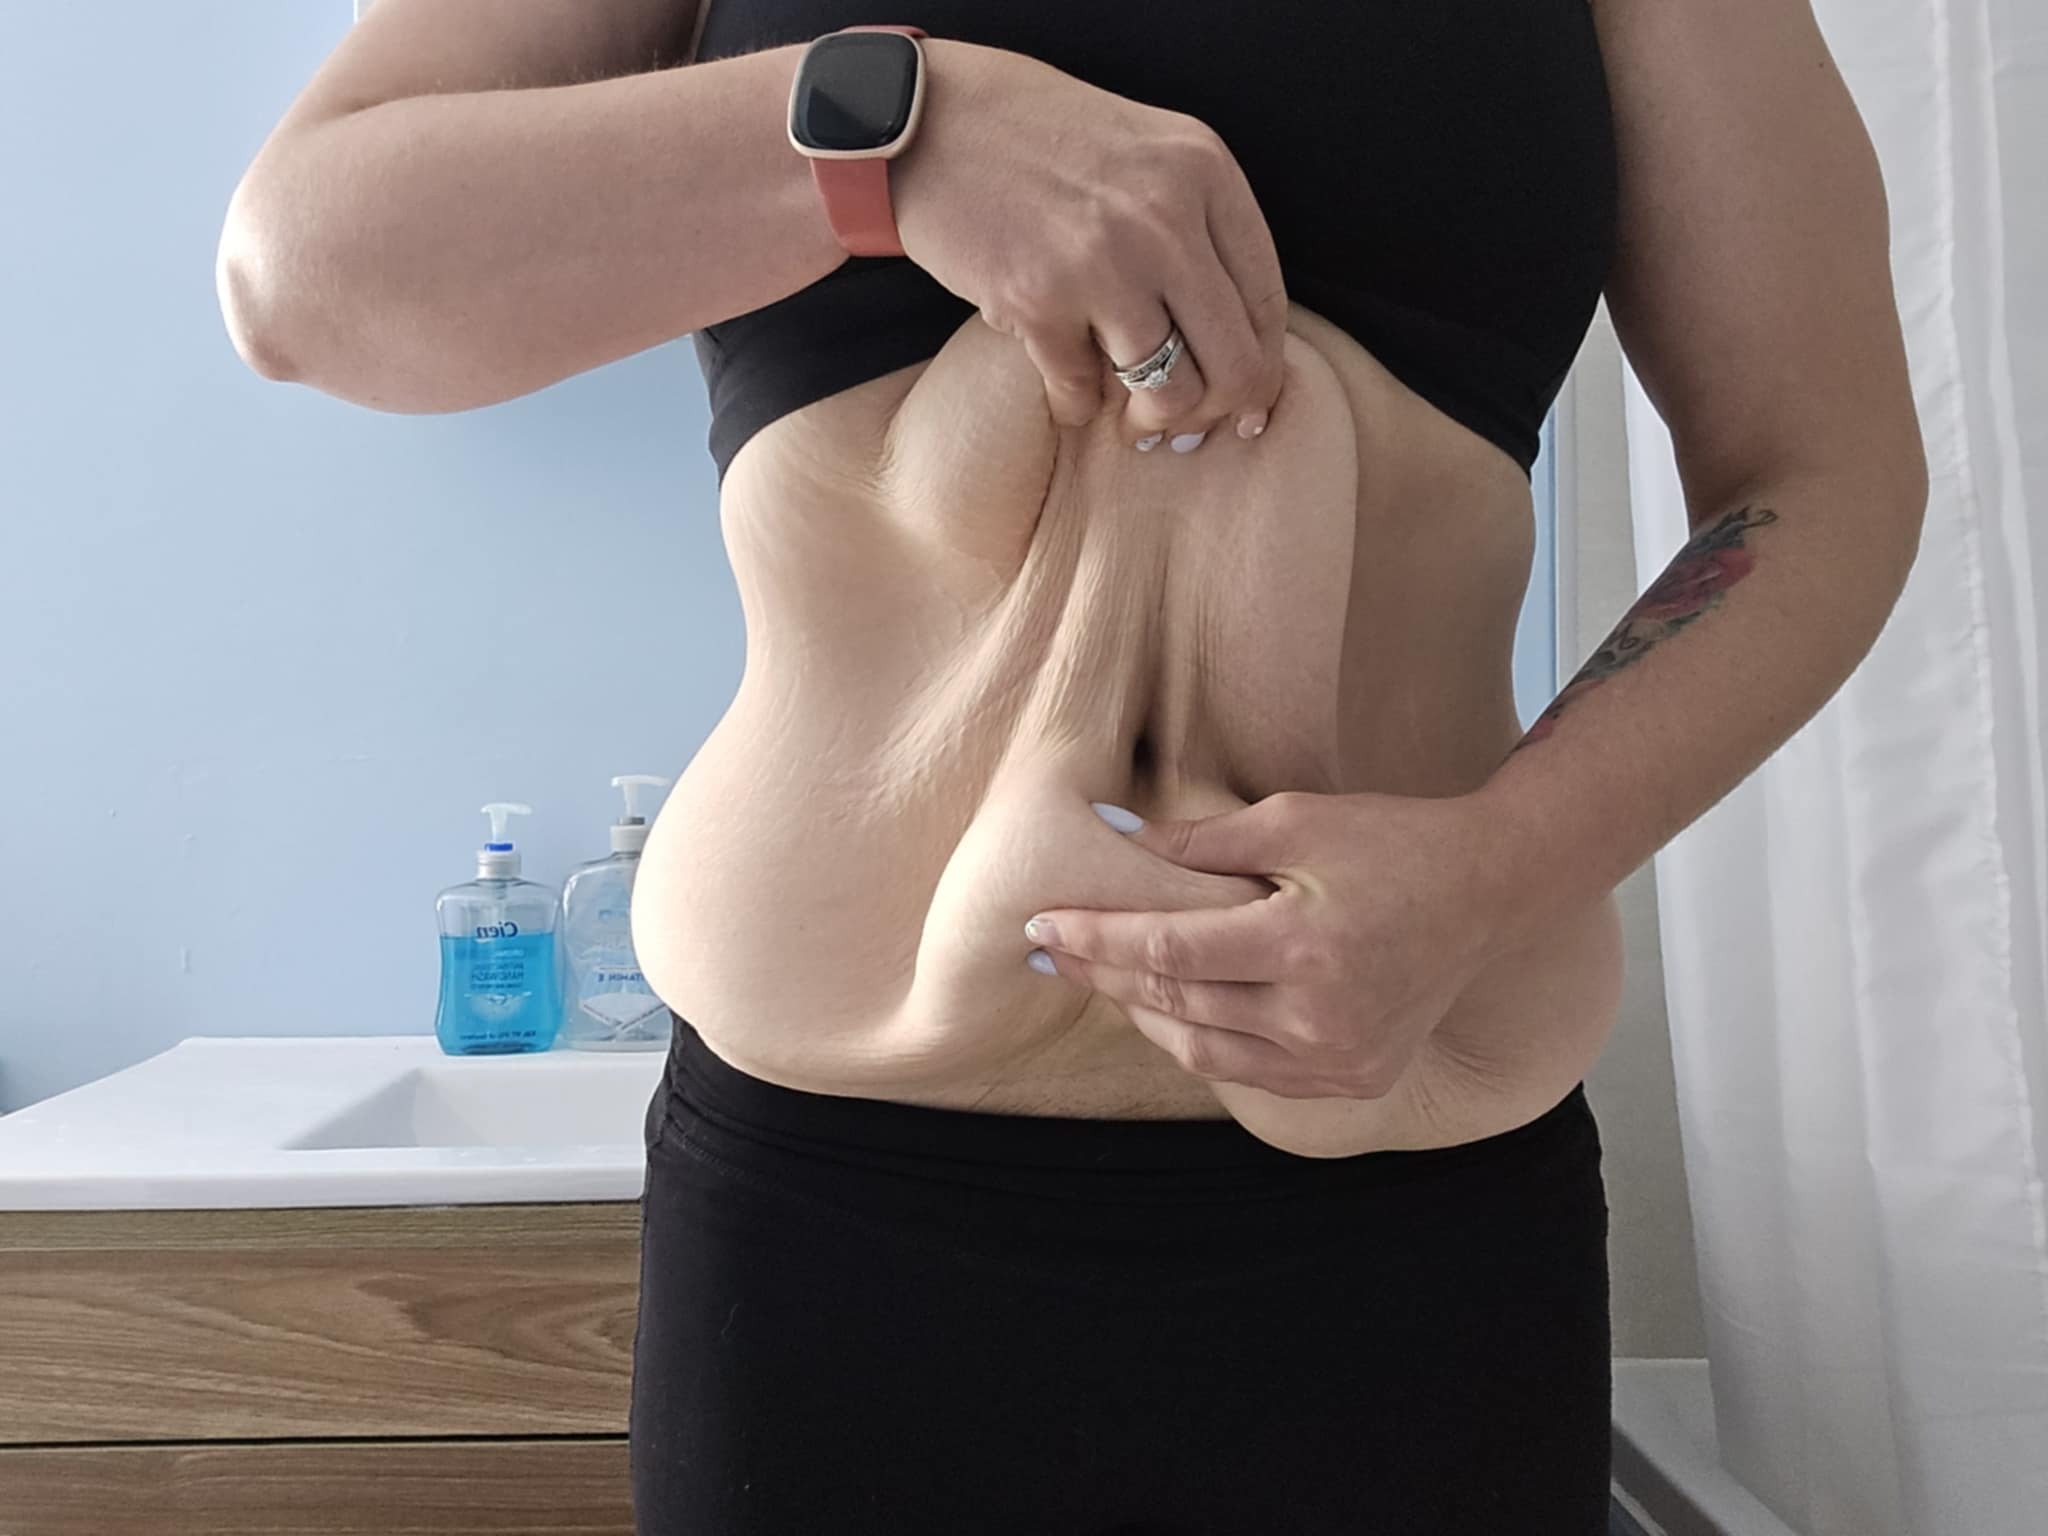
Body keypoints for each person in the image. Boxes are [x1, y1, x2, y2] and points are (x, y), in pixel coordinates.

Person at [216, 1, 1927, 1531]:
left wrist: (1499, 872)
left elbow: (1824, 468)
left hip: (1409, 1219)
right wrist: (901, 133)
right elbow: (303, 273)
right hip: (835, 1241)